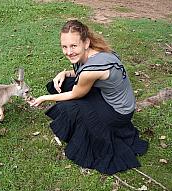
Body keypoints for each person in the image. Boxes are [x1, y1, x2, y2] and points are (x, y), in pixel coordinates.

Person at [29, 20, 148, 175]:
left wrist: (44, 98)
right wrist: (65, 73)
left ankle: (89, 135)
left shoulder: (91, 69)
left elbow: (76, 93)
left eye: (73, 46)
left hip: (119, 113)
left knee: (70, 106)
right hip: (115, 100)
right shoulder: (98, 52)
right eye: (64, 46)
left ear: (86, 43)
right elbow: (81, 73)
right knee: (65, 83)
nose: (68, 51)